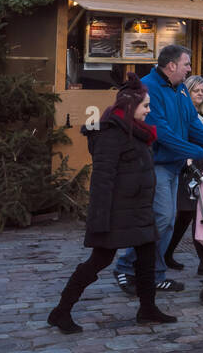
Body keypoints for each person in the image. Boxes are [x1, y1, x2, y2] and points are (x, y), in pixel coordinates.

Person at [48, 75, 177, 332]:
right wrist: (99, 220)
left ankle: (148, 309)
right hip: (117, 212)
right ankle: (61, 311)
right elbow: (102, 179)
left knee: (147, 257)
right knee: (99, 260)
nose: (149, 111)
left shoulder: (137, 132)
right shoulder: (112, 135)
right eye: (145, 106)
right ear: (131, 107)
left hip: (138, 210)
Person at [113, 45, 203, 295]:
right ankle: (127, 266)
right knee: (162, 218)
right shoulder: (148, 88)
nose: (189, 69)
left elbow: (191, 122)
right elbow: (160, 132)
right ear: (171, 65)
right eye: (186, 64)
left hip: (173, 166)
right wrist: (192, 151)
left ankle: (154, 274)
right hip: (156, 164)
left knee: (167, 221)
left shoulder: (180, 88)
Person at [163, 75, 203, 272]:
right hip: (190, 169)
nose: (200, 94)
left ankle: (166, 253)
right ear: (187, 92)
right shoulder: (182, 113)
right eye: (196, 91)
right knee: (198, 215)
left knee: (185, 216)